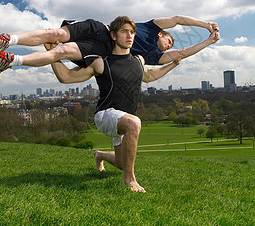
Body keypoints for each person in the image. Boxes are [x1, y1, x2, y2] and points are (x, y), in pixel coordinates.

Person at [43, 16, 189, 193]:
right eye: (124, 32)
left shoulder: (138, 60)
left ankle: (100, 155)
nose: (129, 36)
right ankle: (130, 180)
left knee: (122, 162)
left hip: (122, 119)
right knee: (134, 123)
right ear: (113, 36)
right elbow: (66, 77)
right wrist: (52, 55)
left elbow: (150, 77)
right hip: (105, 115)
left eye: (132, 33)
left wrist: (173, 64)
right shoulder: (101, 61)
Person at [0, 15, 219, 74]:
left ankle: (8, 60)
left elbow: (184, 53)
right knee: (55, 33)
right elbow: (178, 20)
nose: (169, 46)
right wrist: (204, 24)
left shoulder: (151, 56)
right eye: (169, 41)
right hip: (100, 29)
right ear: (162, 34)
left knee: (62, 51)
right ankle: (8, 40)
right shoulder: (151, 26)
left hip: (103, 49)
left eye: (170, 46)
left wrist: (208, 41)